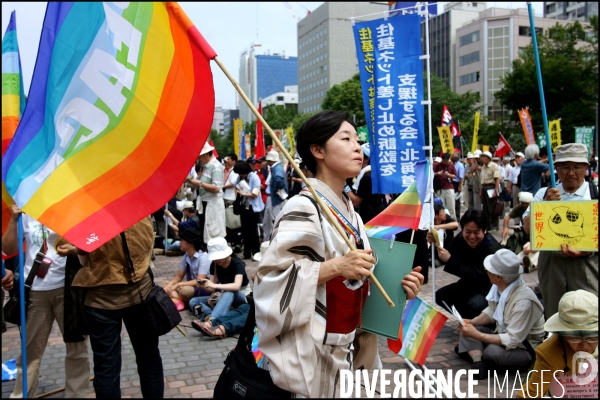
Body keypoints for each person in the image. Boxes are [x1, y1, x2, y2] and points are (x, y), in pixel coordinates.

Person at [253, 111, 424, 397]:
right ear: (317, 150)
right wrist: (335, 267)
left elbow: (362, 278)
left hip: (349, 349)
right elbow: (271, 279)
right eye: (345, 139)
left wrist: (399, 289)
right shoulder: (303, 207)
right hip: (315, 353)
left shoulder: (351, 213)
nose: (358, 147)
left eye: (357, 140)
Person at [3, 205, 89, 398]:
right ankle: (22, 395)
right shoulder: (25, 213)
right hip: (34, 290)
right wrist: (13, 218)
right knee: (29, 352)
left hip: (68, 288)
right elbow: (8, 248)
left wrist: (73, 250)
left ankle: (77, 395)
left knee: (76, 348)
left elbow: (87, 244)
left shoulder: (70, 206)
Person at [72, 217, 163, 398]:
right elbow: (148, 247)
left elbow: (83, 260)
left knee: (107, 368)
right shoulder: (139, 213)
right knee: (149, 359)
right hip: (140, 293)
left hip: (101, 298)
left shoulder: (89, 217)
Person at [523, 143, 598, 319]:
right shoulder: (544, 194)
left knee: (589, 315)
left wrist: (587, 250)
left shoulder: (595, 195)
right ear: (556, 168)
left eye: (577, 167)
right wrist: (544, 205)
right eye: (565, 167)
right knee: (554, 315)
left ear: (586, 168)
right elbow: (528, 228)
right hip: (552, 264)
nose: (571, 172)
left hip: (587, 263)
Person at [457, 249, 545, 379]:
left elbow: (512, 339)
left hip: (524, 348)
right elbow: (492, 311)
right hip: (502, 334)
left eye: (489, 270)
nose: (487, 272)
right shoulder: (501, 285)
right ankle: (479, 362)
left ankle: (482, 357)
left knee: (492, 352)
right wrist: (472, 322)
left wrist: (477, 335)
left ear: (498, 277)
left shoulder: (524, 302)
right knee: (468, 330)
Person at [518, 290, 598, 398]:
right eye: (575, 338)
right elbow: (531, 395)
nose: (584, 345)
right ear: (563, 335)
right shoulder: (549, 353)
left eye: (592, 338)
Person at [429, 209, 503, 319]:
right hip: (468, 284)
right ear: (462, 229)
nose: (472, 237)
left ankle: (487, 322)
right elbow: (445, 254)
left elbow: (476, 275)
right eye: (468, 232)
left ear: (485, 230)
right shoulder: (460, 238)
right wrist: (434, 244)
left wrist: (450, 260)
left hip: (489, 289)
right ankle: (467, 321)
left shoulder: (492, 249)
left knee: (475, 304)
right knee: (440, 296)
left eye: (476, 232)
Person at [190, 237, 250, 326]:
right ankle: (208, 316)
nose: (216, 260)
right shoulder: (214, 265)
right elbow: (211, 289)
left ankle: (213, 321)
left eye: (219, 257)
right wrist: (205, 284)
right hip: (224, 296)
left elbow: (236, 286)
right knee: (193, 301)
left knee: (228, 292)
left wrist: (215, 285)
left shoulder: (237, 263)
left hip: (241, 296)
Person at [162, 228, 211, 310]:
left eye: (182, 240)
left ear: (190, 244)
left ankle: (177, 299)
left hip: (202, 288)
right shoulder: (186, 255)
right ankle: (179, 299)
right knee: (164, 284)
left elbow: (200, 280)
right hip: (190, 286)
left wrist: (178, 285)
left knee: (184, 292)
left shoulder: (203, 257)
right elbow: (179, 276)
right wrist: (169, 286)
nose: (180, 243)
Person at [189, 141, 226, 245]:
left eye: (199, 156)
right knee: (206, 231)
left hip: (212, 204)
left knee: (214, 233)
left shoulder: (216, 166)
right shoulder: (206, 166)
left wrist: (200, 183)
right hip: (206, 203)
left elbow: (217, 187)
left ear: (206, 154)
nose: (199, 159)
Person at [350, 143, 389, 223]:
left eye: (359, 154)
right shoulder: (375, 172)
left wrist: (344, 185)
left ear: (366, 159)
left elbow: (356, 202)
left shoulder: (367, 177)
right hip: (378, 216)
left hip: (370, 220)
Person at [233, 160, 264, 259]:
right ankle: (246, 253)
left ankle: (255, 252)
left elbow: (255, 194)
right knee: (245, 230)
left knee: (253, 231)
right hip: (244, 206)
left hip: (253, 207)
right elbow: (236, 187)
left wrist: (243, 193)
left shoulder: (254, 177)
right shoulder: (239, 177)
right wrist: (238, 192)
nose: (240, 175)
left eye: (241, 173)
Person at [261, 150, 288, 241]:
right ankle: (269, 242)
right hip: (273, 198)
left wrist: (276, 190)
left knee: (273, 222)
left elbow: (279, 180)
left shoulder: (277, 168)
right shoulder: (276, 168)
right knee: (268, 223)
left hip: (274, 199)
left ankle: (274, 243)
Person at [500, 191, 532, 256]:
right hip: (524, 230)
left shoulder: (534, 207)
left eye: (527, 204)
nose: (524, 205)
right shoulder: (519, 208)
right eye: (523, 203)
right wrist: (505, 228)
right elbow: (507, 218)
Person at [478, 151, 502, 231]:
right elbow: (482, 181)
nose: (482, 159)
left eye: (483, 157)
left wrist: (496, 190)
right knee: (485, 208)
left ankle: (494, 226)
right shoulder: (483, 167)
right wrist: (480, 191)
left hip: (491, 187)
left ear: (488, 158)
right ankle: (488, 225)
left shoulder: (494, 166)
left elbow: (497, 178)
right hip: (484, 187)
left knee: (492, 207)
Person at [434, 153, 457, 220]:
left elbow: (455, 175)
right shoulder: (437, 165)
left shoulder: (451, 165)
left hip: (449, 188)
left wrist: (449, 175)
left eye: (446, 161)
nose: (445, 162)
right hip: (439, 189)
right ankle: (442, 220)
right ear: (442, 159)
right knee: (441, 206)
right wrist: (437, 174)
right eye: (444, 161)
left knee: (451, 206)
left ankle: (452, 220)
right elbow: (432, 173)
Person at [451, 153, 465, 220]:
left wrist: (459, 187)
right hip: (451, 183)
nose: (450, 157)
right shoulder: (452, 164)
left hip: (456, 183)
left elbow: (461, 177)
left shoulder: (460, 165)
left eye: (451, 156)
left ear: (455, 158)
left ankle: (457, 216)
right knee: (452, 200)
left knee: (457, 200)